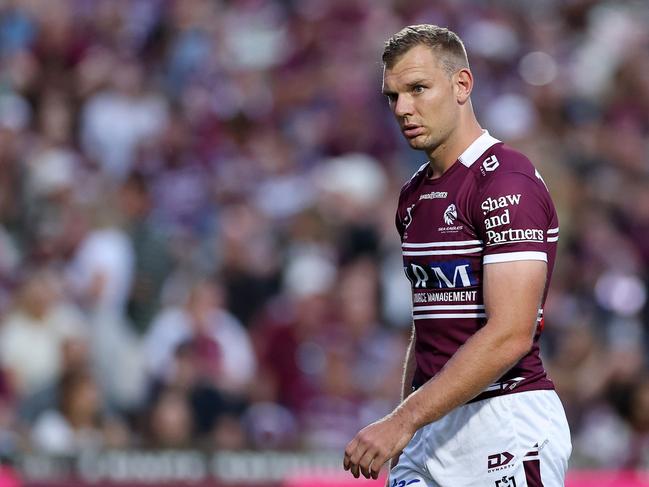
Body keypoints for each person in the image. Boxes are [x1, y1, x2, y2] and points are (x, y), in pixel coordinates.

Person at [343, 25, 571, 486]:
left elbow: (510, 335)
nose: (403, 108)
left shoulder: (507, 182)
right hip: (432, 424)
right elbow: (427, 327)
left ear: (462, 85)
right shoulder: (412, 195)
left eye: (418, 89)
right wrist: (407, 416)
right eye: (393, 96)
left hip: (504, 420)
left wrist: (401, 420)